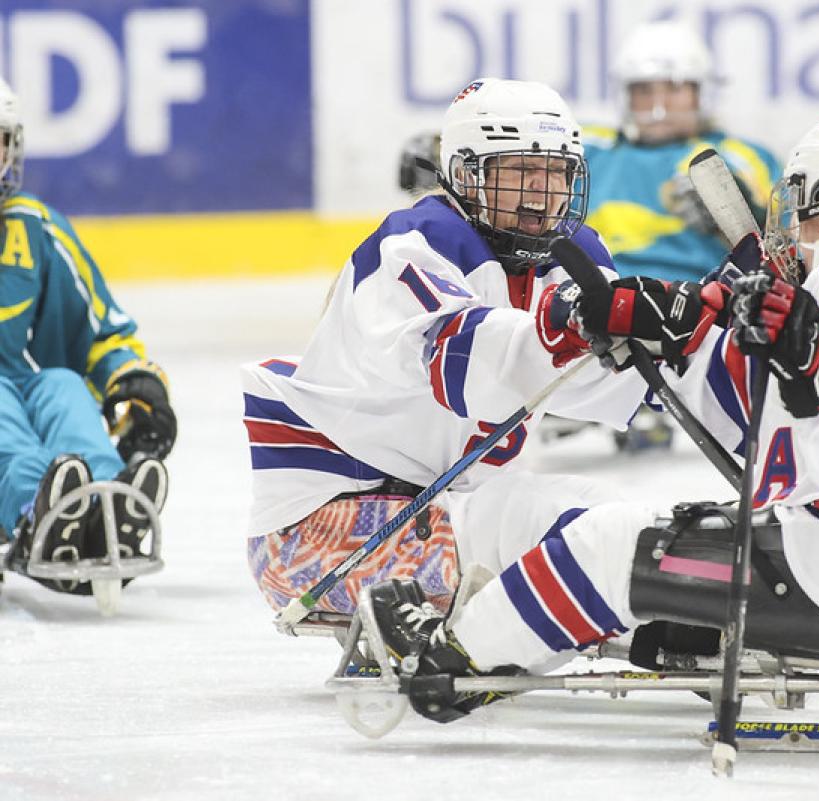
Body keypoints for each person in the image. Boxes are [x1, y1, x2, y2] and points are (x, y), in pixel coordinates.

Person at [359, 106, 819, 725]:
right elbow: (755, 415)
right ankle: (625, 640)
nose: (794, 219)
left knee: (607, 546)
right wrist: (674, 328)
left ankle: (446, 665)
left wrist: (815, 360)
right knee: (646, 546)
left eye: (802, 196)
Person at [242, 78, 649, 617]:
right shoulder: (416, 244)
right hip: (326, 532)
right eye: (521, 170)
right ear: (466, 174)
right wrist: (570, 327)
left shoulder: (568, 255)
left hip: (445, 513)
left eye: (556, 172)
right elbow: (460, 364)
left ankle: (671, 630)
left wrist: (694, 331)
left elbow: (611, 384)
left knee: (618, 526)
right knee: (584, 531)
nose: (542, 191)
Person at [0, 77, 174, 596]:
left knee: (60, 386)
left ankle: (109, 504)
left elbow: (101, 329)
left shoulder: (34, 228)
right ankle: (43, 515)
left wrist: (135, 384)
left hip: (22, 379)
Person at [574, 19, 783, 452]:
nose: (658, 105)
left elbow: (786, 257)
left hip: (700, 316)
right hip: (604, 312)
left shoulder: (744, 159)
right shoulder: (588, 153)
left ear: (700, 94)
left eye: (672, 90)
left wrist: (746, 214)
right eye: (644, 92)